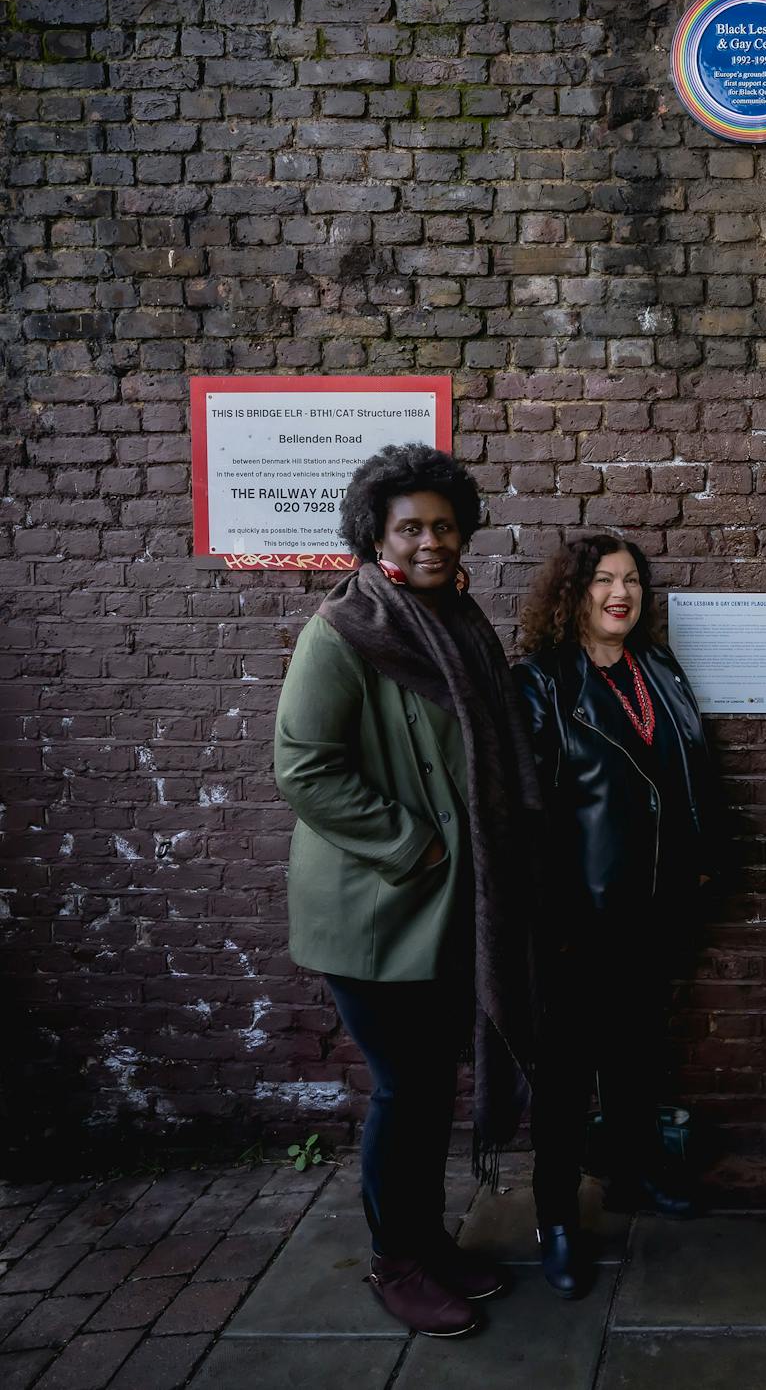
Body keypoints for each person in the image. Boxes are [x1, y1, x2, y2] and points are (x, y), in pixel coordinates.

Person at [273, 444, 541, 1339]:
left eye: (444, 525)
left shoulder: (456, 620)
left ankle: (426, 1241)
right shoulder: (347, 629)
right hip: (382, 910)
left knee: (428, 1087)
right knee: (406, 1088)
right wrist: (417, 845)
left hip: (448, 906)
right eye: (410, 528)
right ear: (375, 534)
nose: (431, 541)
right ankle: (396, 1264)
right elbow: (305, 768)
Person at [514, 535, 718, 1300]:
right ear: (573, 592)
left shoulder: (654, 669)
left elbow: (692, 769)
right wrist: (550, 916)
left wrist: (700, 858)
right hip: (575, 919)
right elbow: (525, 817)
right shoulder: (538, 683)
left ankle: (633, 1175)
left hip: (653, 907)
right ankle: (556, 1219)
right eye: (603, 580)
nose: (619, 594)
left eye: (631, 580)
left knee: (634, 1056)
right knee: (566, 1078)